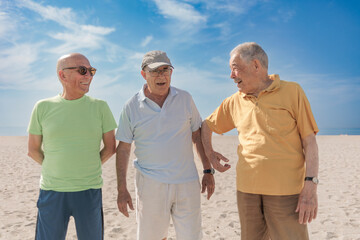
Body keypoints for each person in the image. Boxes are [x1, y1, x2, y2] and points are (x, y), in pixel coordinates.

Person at [201, 42, 319, 240]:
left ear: (256, 65)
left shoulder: (292, 91)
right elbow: (207, 125)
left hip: (286, 193)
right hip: (247, 192)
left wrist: (311, 185)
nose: (231, 76)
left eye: (235, 68)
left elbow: (310, 141)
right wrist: (210, 153)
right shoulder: (234, 101)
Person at [115, 50, 215, 240]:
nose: (161, 75)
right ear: (143, 74)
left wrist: (208, 171)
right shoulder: (131, 106)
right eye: (155, 71)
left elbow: (197, 136)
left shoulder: (185, 98)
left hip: (186, 182)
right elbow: (124, 148)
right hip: (150, 184)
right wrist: (122, 188)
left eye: (165, 70)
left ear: (171, 72)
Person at [27, 53, 117, 240]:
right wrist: (55, 168)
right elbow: (33, 150)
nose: (89, 76)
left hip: (89, 190)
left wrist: (88, 166)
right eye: (83, 70)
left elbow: (110, 147)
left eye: (91, 71)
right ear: (63, 75)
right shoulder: (42, 107)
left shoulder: (100, 107)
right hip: (52, 191)